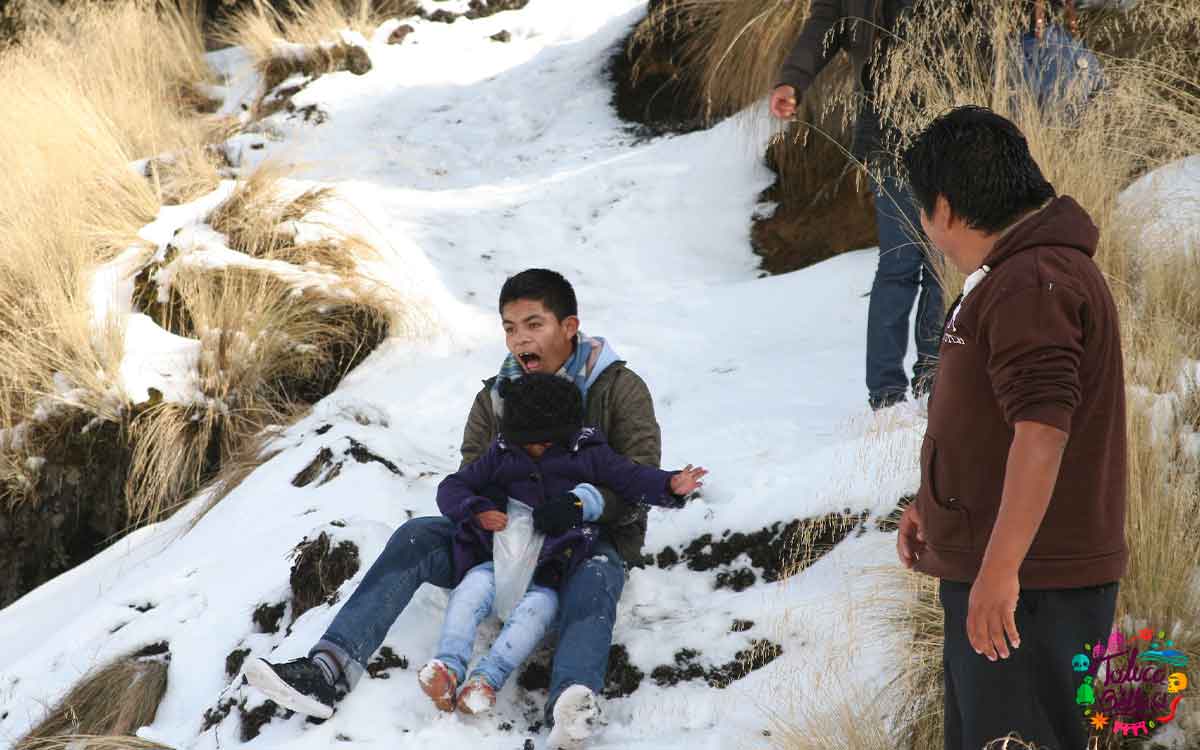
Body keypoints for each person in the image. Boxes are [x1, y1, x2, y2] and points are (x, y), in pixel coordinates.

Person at [245, 269, 666, 749]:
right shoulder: (495, 397)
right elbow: (473, 476)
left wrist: (580, 508)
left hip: (583, 544)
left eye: (534, 324)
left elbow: (639, 482)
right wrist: (483, 512)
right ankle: (328, 671)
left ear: (569, 327)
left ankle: (569, 713)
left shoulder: (618, 389)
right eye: (509, 327)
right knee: (418, 534)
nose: (519, 339)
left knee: (594, 577)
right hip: (503, 545)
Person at [894, 106, 1126, 750]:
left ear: (943, 208)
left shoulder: (1032, 281)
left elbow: (1042, 431)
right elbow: (994, 426)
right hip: (1017, 578)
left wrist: (998, 572)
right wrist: (933, 504)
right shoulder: (1019, 275)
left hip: (1032, 589)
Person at [420, 373, 706, 717]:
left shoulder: (590, 453)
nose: (531, 449)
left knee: (535, 610)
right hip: (502, 555)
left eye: (539, 442)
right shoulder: (503, 451)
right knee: (471, 588)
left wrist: (670, 485)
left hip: (552, 565)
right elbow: (453, 487)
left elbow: (630, 478)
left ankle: (487, 680)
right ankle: (448, 666)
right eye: (522, 440)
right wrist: (477, 510)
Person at [769, 0, 944, 409]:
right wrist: (792, 80)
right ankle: (886, 397)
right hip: (884, 125)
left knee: (944, 260)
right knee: (900, 261)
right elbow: (824, 24)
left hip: (952, 118)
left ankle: (936, 381)